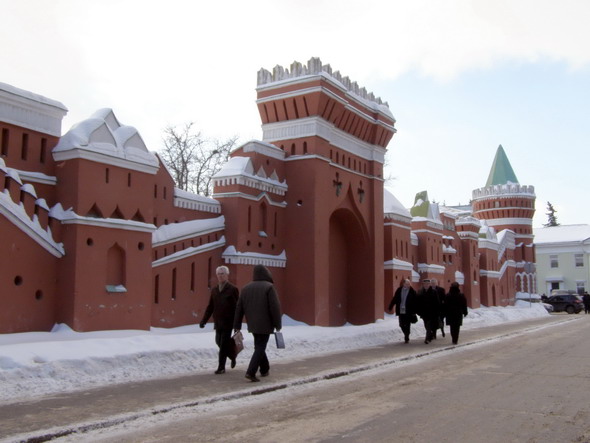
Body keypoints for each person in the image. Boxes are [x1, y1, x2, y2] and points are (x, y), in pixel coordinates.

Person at [233, 265, 282, 382]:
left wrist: (237, 326)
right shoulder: (269, 287)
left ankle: (264, 369)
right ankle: (251, 372)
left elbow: (239, 309)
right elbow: (275, 308)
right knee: (260, 347)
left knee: (259, 346)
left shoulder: (245, 288)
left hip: (252, 324)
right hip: (265, 324)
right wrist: (278, 324)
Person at [199, 266, 239, 375]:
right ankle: (232, 355)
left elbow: (237, 308)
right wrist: (204, 320)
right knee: (218, 342)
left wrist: (237, 324)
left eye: (222, 273)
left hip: (228, 322)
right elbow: (210, 307)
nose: (220, 275)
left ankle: (221, 367)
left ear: (227, 275)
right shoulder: (215, 290)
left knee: (223, 343)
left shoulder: (232, 289)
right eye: (219, 274)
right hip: (218, 322)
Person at [388, 278, 418, 343]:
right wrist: (391, 306)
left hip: (409, 310)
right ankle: (406, 333)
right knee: (401, 324)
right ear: (403, 284)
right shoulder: (399, 290)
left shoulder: (412, 291)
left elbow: (416, 301)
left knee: (407, 324)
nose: (408, 285)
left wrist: (415, 310)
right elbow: (395, 298)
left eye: (409, 284)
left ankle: (406, 336)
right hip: (401, 309)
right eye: (406, 284)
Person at [417, 278, 440, 344]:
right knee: (426, 325)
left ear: (429, 284)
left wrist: (437, 311)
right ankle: (430, 335)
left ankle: (427, 338)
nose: (426, 285)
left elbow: (437, 302)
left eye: (427, 284)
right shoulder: (421, 292)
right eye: (425, 284)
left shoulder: (433, 292)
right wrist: (418, 311)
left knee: (429, 325)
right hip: (424, 313)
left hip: (432, 312)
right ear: (423, 284)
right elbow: (418, 302)